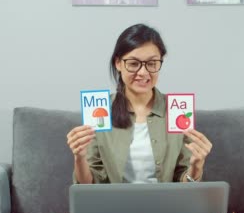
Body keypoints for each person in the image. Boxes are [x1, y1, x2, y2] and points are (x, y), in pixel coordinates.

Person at [66, 23, 212, 184]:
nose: (143, 72)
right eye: (134, 63)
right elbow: (90, 187)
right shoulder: (100, 109)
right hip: (115, 206)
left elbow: (184, 185)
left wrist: (196, 167)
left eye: (151, 63)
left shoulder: (178, 110)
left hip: (166, 205)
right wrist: (79, 158)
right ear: (118, 63)